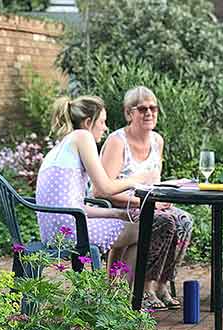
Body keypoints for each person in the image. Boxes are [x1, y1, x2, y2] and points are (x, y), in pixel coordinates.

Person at [97, 86, 193, 310]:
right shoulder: (117, 141)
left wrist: (168, 192)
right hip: (122, 207)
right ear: (129, 113)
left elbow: (153, 182)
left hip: (151, 203)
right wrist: (148, 203)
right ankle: (144, 287)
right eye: (142, 109)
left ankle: (161, 283)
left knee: (185, 221)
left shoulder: (157, 141)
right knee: (164, 222)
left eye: (153, 108)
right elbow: (104, 190)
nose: (149, 113)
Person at [36, 96, 152, 275]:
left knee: (126, 221)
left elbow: (73, 207)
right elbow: (105, 188)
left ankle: (114, 293)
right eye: (102, 122)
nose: (105, 128)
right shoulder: (83, 136)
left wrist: (115, 213)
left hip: (55, 230)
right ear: (88, 122)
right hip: (70, 230)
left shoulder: (63, 145)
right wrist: (139, 179)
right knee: (143, 231)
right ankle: (122, 298)